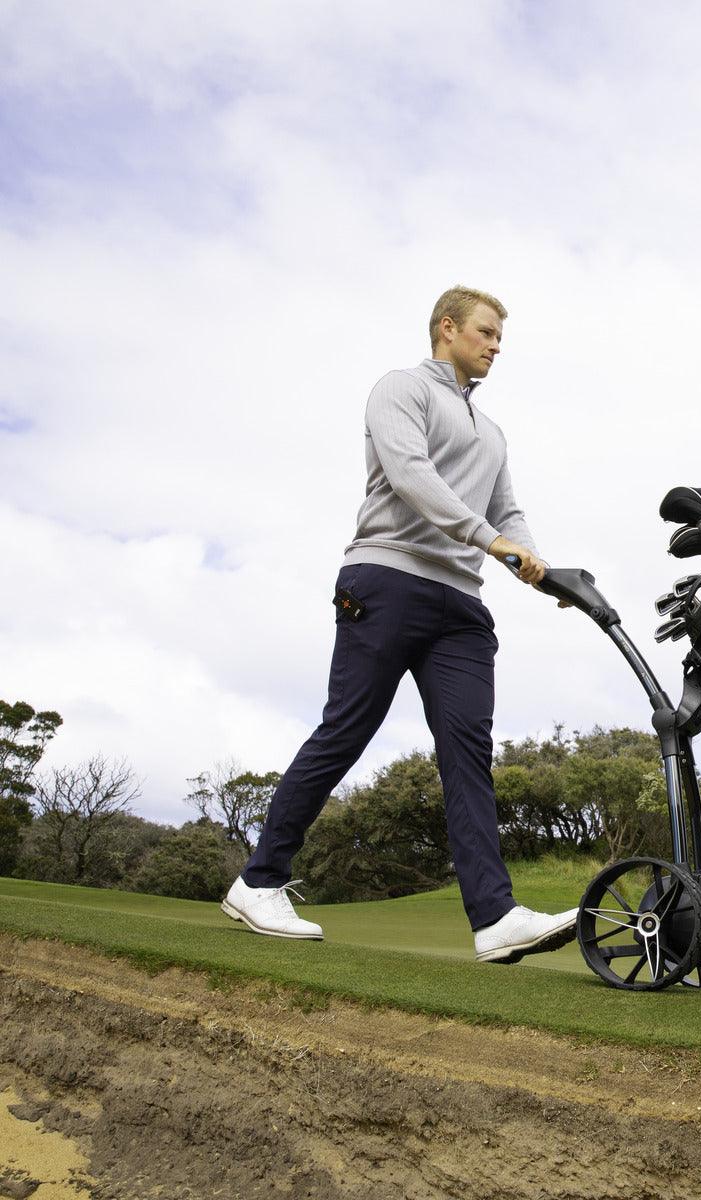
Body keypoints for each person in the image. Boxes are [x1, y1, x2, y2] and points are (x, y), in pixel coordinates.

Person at [222, 285, 578, 964]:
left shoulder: (492, 432)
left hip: (462, 607)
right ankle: (257, 881)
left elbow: (508, 512)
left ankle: (495, 917)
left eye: (501, 338)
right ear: (447, 328)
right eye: (486, 333)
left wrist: (535, 563)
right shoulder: (400, 390)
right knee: (347, 729)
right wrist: (491, 541)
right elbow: (412, 476)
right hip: (386, 579)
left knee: (468, 752)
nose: (496, 346)